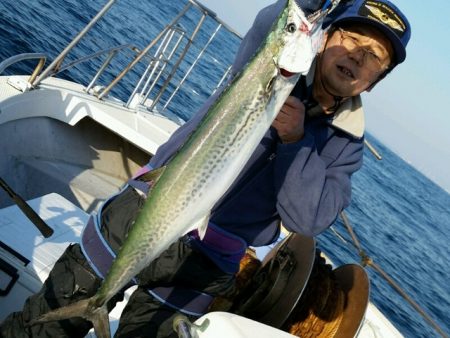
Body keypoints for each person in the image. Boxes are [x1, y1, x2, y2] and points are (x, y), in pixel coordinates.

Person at [0, 0, 411, 337]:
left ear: (375, 82)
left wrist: (296, 143)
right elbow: (283, 19)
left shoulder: (344, 146)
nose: (357, 53)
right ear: (323, 40)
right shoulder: (264, 66)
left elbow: (307, 218)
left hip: (208, 263)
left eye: (374, 55)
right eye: (351, 37)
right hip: (143, 212)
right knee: (42, 327)